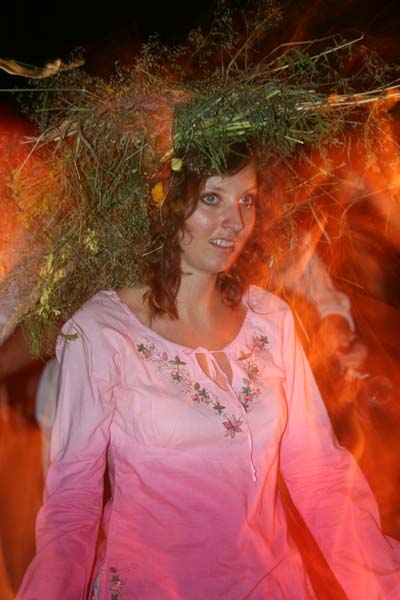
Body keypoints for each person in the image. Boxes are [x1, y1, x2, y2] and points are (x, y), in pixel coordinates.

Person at [14, 142, 400, 599]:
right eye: (212, 198)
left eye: (247, 200)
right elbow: (72, 508)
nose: (235, 221)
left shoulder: (270, 320)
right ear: (166, 203)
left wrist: (384, 587)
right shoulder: (103, 332)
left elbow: (320, 478)